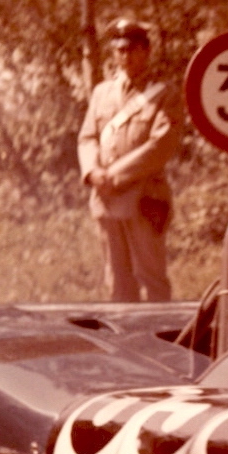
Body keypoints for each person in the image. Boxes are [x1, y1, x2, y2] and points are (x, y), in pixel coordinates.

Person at [77, 19, 183, 302]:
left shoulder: (165, 94)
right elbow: (87, 137)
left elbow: (161, 144)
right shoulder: (102, 93)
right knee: (117, 282)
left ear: (146, 51)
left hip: (144, 198)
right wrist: (93, 171)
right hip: (106, 200)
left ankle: (159, 331)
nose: (125, 56)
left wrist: (113, 176)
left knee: (151, 280)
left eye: (132, 49)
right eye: (120, 50)